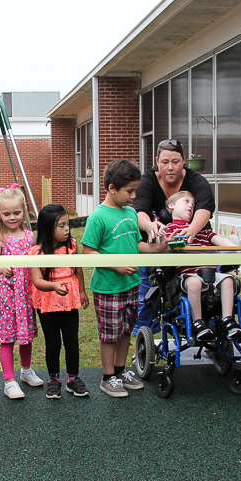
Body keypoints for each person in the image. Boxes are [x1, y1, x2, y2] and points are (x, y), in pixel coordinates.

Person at [82, 159, 168, 398]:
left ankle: (120, 373)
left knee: (126, 331)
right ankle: (108, 377)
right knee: (110, 335)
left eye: (135, 191)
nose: (133, 197)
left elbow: (137, 244)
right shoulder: (97, 217)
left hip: (132, 286)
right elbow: (88, 253)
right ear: (111, 188)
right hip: (108, 288)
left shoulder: (130, 212)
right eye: (129, 191)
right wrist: (117, 266)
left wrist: (158, 248)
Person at [133, 139, 214, 335]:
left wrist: (192, 229)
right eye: (165, 162)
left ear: (184, 161)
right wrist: (149, 225)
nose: (170, 167)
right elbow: (139, 210)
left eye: (176, 162)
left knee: (211, 283)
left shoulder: (196, 181)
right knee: (147, 290)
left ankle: (210, 327)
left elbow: (205, 207)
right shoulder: (149, 181)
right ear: (157, 161)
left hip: (192, 245)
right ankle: (144, 334)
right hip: (157, 245)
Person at [161, 191, 241, 342]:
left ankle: (228, 321)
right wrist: (164, 239)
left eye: (193, 205)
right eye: (186, 201)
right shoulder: (169, 229)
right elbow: (162, 246)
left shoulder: (203, 229)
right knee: (194, 282)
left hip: (212, 273)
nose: (191, 206)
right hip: (188, 274)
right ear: (171, 205)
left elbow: (220, 240)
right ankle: (198, 323)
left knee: (228, 280)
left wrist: (238, 249)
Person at [30, 203, 89, 399]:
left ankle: (73, 378)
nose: (66, 229)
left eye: (67, 225)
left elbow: (77, 268)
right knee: (53, 342)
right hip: (48, 299)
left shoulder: (71, 245)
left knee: (72, 340)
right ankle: (53, 379)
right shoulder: (36, 252)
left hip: (70, 299)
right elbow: (37, 281)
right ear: (47, 228)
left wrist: (81, 291)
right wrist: (53, 287)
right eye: (61, 225)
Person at [0, 184, 41, 400]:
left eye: (16, 213)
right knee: (8, 339)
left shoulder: (30, 236)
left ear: (24, 212)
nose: (12, 217)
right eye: (7, 213)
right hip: (9, 298)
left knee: (25, 337)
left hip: (26, 296)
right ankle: (9, 381)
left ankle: (26, 370)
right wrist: (3, 269)